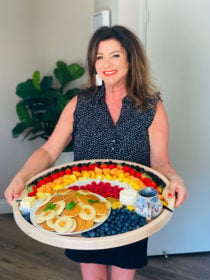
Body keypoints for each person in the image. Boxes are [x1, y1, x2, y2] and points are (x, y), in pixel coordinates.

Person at [5, 25, 188, 280]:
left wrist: (175, 179)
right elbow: (48, 150)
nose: (106, 63)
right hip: (83, 208)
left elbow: (160, 162)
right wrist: (21, 177)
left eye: (115, 55)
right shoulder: (79, 103)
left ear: (130, 58)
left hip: (130, 211)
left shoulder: (151, 108)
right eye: (99, 57)